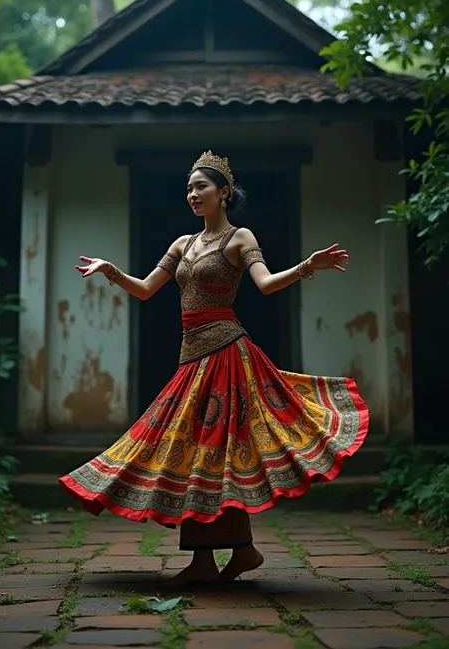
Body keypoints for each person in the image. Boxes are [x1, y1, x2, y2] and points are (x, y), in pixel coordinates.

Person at [59, 150, 369, 587]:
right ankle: (237, 551)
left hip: (227, 354)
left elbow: (264, 285)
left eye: (200, 186)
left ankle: (212, 559)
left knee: (208, 451)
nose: (192, 194)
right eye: (188, 188)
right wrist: (112, 271)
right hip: (192, 356)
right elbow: (147, 290)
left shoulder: (240, 238)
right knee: (199, 452)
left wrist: (305, 267)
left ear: (223, 193)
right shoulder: (182, 245)